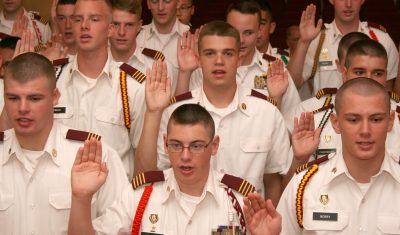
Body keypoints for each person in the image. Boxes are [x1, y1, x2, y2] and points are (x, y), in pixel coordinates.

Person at [68, 63, 256, 233]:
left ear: (214, 146)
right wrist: (81, 198)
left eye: (196, 146)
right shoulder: (141, 196)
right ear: (165, 144)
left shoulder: (239, 201)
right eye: (176, 145)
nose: (185, 155)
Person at [136, 21, 290, 206]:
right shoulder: (175, 110)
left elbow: (273, 182)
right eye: (210, 53)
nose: (219, 61)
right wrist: (153, 112)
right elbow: (146, 174)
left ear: (239, 58)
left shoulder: (267, 113)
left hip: (247, 223)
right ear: (199, 59)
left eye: (228, 53)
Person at [0, 52, 128, 234]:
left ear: (55, 97)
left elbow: (119, 230)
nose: (23, 108)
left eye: (34, 98)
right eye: (13, 98)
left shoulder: (97, 156)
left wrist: (81, 199)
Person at [277, 77, 400, 234]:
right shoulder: (305, 185)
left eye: (376, 119)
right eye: (353, 120)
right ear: (335, 123)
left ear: (390, 122)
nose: (365, 131)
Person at [284, 38, 400, 185]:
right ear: (344, 72)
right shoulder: (315, 118)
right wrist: (299, 160)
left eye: (377, 73)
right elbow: (288, 191)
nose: (368, 79)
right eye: (359, 72)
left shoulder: (397, 118)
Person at [54, 0, 146, 178]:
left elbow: (143, 159)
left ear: (110, 29)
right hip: (60, 197)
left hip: (112, 200)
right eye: (78, 19)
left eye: (94, 19)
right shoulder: (53, 78)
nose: (84, 26)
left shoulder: (131, 86)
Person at [175, 0, 300, 124]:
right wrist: (185, 72)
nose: (241, 40)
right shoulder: (205, 67)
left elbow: (292, 123)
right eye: (234, 31)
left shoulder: (275, 71)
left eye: (248, 32)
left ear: (259, 32)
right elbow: (178, 117)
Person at [288, 3, 399, 99]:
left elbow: (388, 93)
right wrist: (303, 42)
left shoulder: (381, 39)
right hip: (326, 118)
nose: (348, 4)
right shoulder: (316, 39)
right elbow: (291, 85)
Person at [109, 0, 174, 85]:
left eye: (129, 25)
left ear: (139, 26)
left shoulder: (159, 68)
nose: (121, 32)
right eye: (116, 24)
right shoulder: (91, 64)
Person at [136, 0, 189, 93]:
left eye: (167, 1)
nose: (160, 7)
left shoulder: (191, 38)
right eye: (155, 1)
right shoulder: (136, 38)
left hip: (181, 105)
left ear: (178, 3)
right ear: (148, 3)